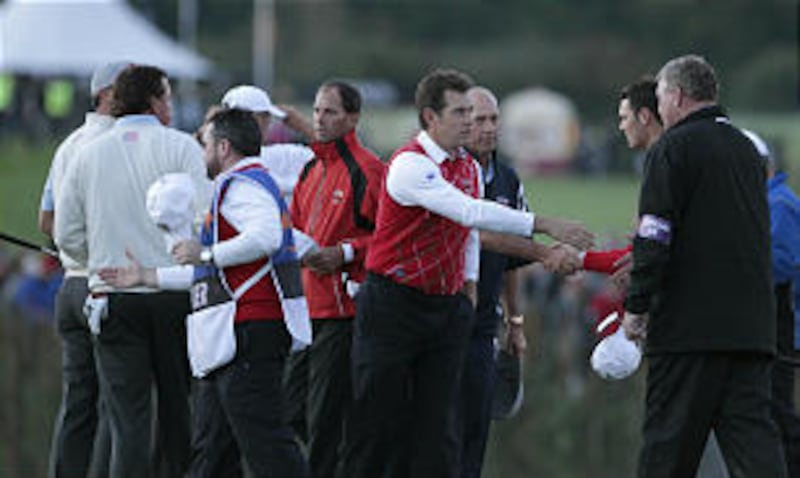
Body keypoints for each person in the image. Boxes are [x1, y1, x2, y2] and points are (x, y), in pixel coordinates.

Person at [339, 68, 593, 478]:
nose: (469, 122)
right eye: (460, 113)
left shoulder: (467, 167)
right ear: (430, 118)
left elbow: (467, 233)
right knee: (376, 427)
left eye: (471, 113)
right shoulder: (409, 165)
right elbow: (468, 212)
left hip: (445, 309)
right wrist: (543, 225)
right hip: (393, 306)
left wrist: (469, 284)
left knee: (438, 432)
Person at [622, 54, 787, 478]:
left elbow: (655, 235)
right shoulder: (747, 151)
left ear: (675, 95)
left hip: (688, 333)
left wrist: (637, 305)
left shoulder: (672, 149)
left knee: (667, 450)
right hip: (750, 329)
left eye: (659, 97)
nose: (658, 107)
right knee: (755, 451)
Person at [54, 64, 209, 478]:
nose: (171, 107)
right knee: (180, 411)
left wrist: (100, 255)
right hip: (175, 295)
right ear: (155, 101)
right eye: (169, 98)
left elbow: (66, 234)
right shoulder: (181, 148)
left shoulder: (87, 154)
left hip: (113, 298)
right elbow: (205, 222)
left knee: (128, 423)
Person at [282, 80, 384, 477]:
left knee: (324, 421)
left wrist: (344, 253)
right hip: (305, 310)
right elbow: (296, 231)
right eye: (317, 111)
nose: (320, 120)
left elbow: (390, 239)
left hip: (344, 313)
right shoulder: (310, 169)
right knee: (291, 411)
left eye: (330, 112)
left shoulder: (370, 170)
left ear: (353, 118)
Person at [38, 61, 128, 478]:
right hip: (109, 287)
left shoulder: (68, 144)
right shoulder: (124, 144)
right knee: (119, 404)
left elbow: (47, 221)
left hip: (71, 288)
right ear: (109, 94)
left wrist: (72, 248)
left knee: (78, 405)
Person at [456, 85, 530, 478]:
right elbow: (474, 235)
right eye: (479, 119)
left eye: (493, 119)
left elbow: (512, 261)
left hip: (485, 322)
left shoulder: (508, 179)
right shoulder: (445, 173)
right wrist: (547, 248)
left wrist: (515, 324)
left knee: (476, 428)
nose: (488, 128)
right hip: (443, 320)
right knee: (441, 431)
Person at [743, 129, 800, 476]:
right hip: (775, 327)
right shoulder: (771, 203)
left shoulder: (779, 205)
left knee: (778, 413)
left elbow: (781, 265)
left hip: (785, 329)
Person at [220, 84, 314, 203]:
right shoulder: (282, 156)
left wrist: (304, 127)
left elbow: (335, 159)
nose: (269, 122)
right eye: (264, 116)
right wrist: (304, 127)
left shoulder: (282, 154)